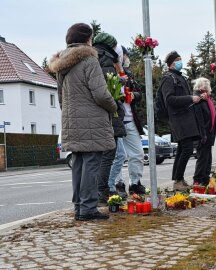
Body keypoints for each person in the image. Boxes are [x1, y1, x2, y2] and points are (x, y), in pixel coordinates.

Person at [49, 23, 117, 220]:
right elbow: (101, 94)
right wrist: (113, 107)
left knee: (78, 162)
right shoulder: (89, 59)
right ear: (88, 39)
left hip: (72, 120)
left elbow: (61, 97)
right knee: (92, 163)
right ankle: (88, 208)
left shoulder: (62, 63)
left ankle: (79, 206)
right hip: (92, 120)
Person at [92, 33, 127, 204]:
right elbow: (106, 89)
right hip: (107, 114)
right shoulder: (105, 59)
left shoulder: (95, 57)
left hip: (97, 114)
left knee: (104, 155)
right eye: (114, 46)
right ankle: (103, 191)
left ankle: (100, 191)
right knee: (109, 154)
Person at [160, 51, 201, 190]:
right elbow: (169, 100)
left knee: (183, 149)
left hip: (185, 117)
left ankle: (179, 179)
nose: (180, 62)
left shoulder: (178, 77)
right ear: (171, 64)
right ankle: (178, 180)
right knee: (187, 148)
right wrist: (190, 98)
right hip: (178, 118)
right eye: (178, 60)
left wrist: (196, 97)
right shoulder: (168, 79)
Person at [108, 45, 146, 196]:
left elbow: (139, 93)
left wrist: (133, 96)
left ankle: (135, 183)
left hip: (131, 121)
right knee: (118, 156)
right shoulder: (109, 72)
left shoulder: (128, 74)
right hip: (116, 121)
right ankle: (118, 183)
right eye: (125, 56)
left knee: (137, 154)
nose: (126, 59)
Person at [192, 78, 216, 186]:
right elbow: (199, 119)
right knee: (202, 158)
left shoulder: (207, 100)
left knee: (207, 158)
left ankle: (205, 179)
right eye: (207, 86)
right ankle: (198, 180)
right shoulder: (198, 100)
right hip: (202, 134)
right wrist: (203, 135)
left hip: (208, 133)